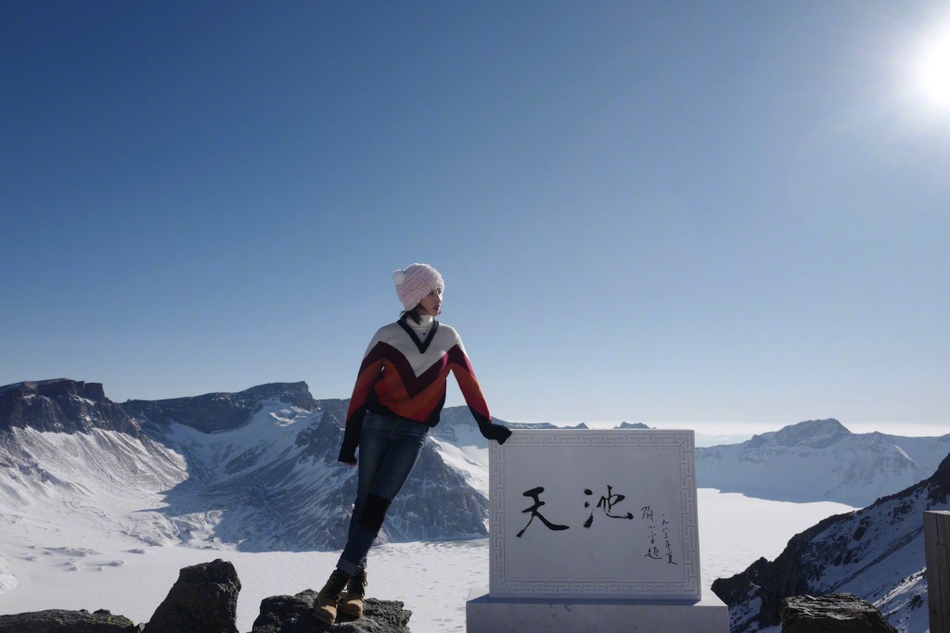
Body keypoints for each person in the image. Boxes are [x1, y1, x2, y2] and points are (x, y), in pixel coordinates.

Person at [313, 263, 512, 624]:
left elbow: (469, 380)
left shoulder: (449, 337)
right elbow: (361, 388)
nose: (440, 300)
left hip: (413, 434)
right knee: (362, 504)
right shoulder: (386, 335)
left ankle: (333, 586)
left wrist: (486, 423)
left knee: (377, 506)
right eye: (434, 292)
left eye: (441, 292)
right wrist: (349, 442)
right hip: (375, 426)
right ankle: (356, 589)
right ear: (414, 295)